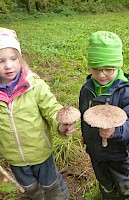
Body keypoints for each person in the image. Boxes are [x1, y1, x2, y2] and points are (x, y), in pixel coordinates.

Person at [0, 27, 75, 200]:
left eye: (13, 58)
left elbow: (51, 108)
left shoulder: (35, 86)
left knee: (52, 185)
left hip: (40, 152)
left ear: (20, 59)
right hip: (14, 157)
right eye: (0, 61)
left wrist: (61, 124)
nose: (8, 65)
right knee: (30, 187)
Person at [79, 31, 129, 200]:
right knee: (104, 180)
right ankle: (108, 194)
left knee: (123, 181)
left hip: (118, 153)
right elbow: (84, 115)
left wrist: (116, 131)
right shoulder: (86, 89)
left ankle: (126, 196)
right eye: (96, 69)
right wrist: (85, 137)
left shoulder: (127, 92)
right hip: (95, 150)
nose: (101, 75)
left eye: (109, 69)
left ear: (118, 66)